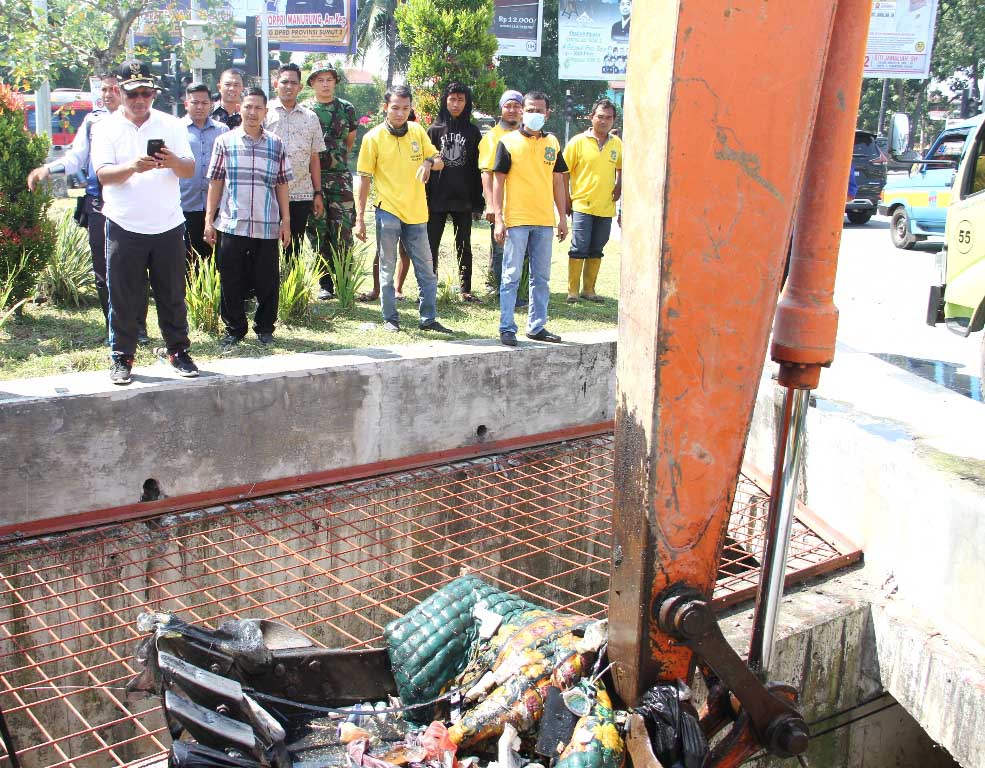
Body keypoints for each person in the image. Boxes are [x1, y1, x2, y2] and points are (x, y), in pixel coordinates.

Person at [91, 60, 198, 384]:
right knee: (123, 296)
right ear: (119, 92)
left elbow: (189, 169)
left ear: (154, 93)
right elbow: (103, 175)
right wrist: (132, 167)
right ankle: (122, 356)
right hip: (124, 224)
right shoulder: (105, 127)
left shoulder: (171, 124)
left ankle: (178, 351)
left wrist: (173, 161)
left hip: (166, 224)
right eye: (133, 93)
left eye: (146, 93)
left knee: (172, 294)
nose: (140, 100)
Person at [26, 73, 152, 343]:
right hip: (99, 203)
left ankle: (139, 328)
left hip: (134, 203)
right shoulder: (92, 122)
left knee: (136, 269)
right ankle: (114, 327)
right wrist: (47, 169)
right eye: (104, 89)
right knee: (103, 270)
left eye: (114, 89)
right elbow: (75, 159)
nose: (108, 94)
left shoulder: (143, 122)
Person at [354, 85, 453, 334]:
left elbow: (440, 160)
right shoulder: (372, 138)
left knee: (426, 270)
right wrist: (359, 218)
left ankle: (428, 318)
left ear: (411, 109)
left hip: (418, 212)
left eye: (405, 108)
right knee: (387, 267)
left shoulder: (418, 131)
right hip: (387, 210)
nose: (400, 113)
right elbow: (364, 178)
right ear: (385, 107)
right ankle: (390, 318)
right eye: (395, 107)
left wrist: (429, 162)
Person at [205, 88, 292, 350]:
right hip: (232, 223)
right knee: (232, 279)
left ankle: (265, 328)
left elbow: (282, 184)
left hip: (266, 225)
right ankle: (234, 329)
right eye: (248, 107)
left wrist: (285, 220)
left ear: (266, 112)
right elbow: (216, 181)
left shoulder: (276, 144)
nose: (253, 113)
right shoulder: (225, 142)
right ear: (239, 109)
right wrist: (210, 219)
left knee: (267, 281)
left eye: (258, 108)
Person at [493, 91, 569, 347]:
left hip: (544, 221)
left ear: (547, 114)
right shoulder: (508, 142)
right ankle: (507, 327)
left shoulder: (553, 143)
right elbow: (498, 181)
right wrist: (499, 218)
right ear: (523, 112)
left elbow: (558, 181)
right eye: (531, 110)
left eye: (540, 110)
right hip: (517, 220)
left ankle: (536, 326)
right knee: (511, 275)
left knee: (541, 277)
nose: (535, 114)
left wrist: (562, 217)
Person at [303, 61, 358, 300]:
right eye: (320, 80)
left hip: (340, 180)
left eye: (329, 79)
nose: (325, 84)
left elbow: (349, 142)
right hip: (312, 181)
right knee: (319, 231)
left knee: (343, 231)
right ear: (313, 83)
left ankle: (344, 282)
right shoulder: (305, 110)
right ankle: (325, 284)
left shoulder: (346, 109)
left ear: (335, 82)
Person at [425, 82, 484, 302]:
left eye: (460, 99)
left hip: (463, 198)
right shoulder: (433, 130)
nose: (456, 104)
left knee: (464, 244)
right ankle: (429, 287)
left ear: (466, 103)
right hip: (436, 198)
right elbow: (426, 166)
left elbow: (477, 169)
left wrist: (478, 203)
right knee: (431, 245)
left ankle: (465, 288)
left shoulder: (473, 131)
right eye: (452, 99)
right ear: (445, 101)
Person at [264, 63, 325, 265]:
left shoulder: (310, 117)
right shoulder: (264, 113)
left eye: (293, 83)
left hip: (301, 192)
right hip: (268, 193)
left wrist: (317, 192)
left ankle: (292, 291)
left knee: (294, 246)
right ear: (275, 84)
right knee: (266, 246)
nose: (289, 86)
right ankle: (268, 291)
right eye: (284, 82)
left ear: (300, 87)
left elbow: (314, 157)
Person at [562, 98, 622, 303]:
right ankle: (572, 291)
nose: (604, 121)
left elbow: (621, 167)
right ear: (591, 117)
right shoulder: (578, 142)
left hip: (605, 206)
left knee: (597, 248)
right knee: (579, 247)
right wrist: (566, 198)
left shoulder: (617, 144)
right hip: (582, 204)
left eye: (609, 118)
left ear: (614, 120)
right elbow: (563, 172)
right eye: (600, 117)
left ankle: (589, 290)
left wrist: (619, 184)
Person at [478, 90, 528, 307]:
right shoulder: (492, 137)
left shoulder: (528, 135)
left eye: (517, 106)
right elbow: (487, 172)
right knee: (501, 249)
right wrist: (491, 204)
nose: (513, 110)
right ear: (501, 108)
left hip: (524, 204)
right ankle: (502, 292)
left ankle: (518, 289)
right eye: (508, 105)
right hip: (502, 204)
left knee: (522, 251)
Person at [180, 82, 228, 261]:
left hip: (216, 206)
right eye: (194, 102)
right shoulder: (175, 130)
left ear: (211, 104)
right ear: (186, 104)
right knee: (188, 258)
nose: (199, 107)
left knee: (215, 258)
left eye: (204, 103)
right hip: (185, 204)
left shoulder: (222, 131)